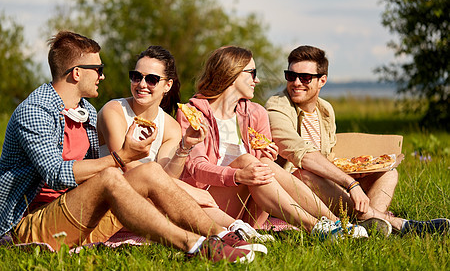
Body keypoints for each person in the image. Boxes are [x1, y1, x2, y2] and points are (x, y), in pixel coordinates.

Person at [0, 31, 258, 263]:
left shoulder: (85, 111)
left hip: (77, 213)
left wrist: (182, 150)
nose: (102, 75)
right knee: (111, 175)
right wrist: (120, 157)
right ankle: (196, 246)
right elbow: (56, 174)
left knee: (151, 172)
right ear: (77, 73)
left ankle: (222, 236)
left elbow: (143, 175)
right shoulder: (36, 111)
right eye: (98, 69)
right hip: (28, 226)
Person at [177, 45, 368, 240]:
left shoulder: (255, 113)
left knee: (263, 163)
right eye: (252, 73)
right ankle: (315, 226)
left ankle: (337, 223)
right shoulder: (193, 114)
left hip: (249, 210)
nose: (257, 80)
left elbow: (263, 169)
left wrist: (266, 155)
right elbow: (196, 167)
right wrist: (238, 174)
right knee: (247, 161)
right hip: (208, 206)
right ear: (231, 73)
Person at [265, 45, 450, 235]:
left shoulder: (325, 109)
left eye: (305, 78)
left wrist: (355, 173)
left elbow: (327, 156)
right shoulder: (276, 107)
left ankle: (368, 224)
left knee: (389, 173)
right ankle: (394, 223)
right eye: (291, 76)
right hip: (295, 189)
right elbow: (301, 154)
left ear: (322, 81)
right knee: (304, 175)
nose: (296, 82)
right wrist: (350, 183)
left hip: (324, 186)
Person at [96, 45, 272, 243]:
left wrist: (184, 147)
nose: (142, 84)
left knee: (180, 196)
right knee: (185, 196)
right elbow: (128, 166)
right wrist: (188, 190)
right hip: (112, 200)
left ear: (168, 85)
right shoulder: (115, 110)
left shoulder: (170, 125)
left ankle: (234, 231)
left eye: (151, 79)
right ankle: (232, 231)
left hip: (149, 201)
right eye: (136, 76)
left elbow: (166, 178)